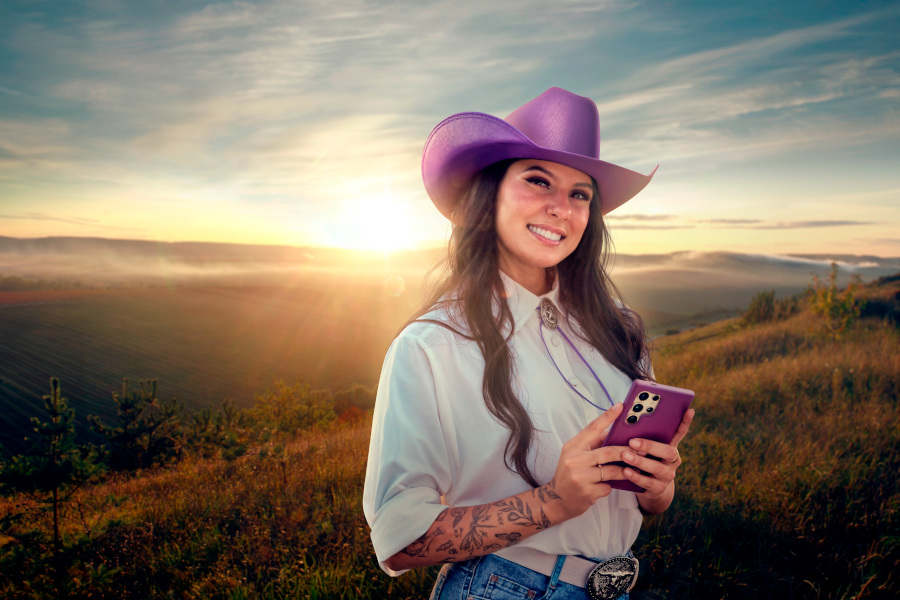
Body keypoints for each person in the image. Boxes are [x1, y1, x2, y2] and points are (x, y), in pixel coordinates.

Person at [363, 87, 694, 600]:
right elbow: (399, 538)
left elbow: (642, 506)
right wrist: (554, 501)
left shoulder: (619, 329)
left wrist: (656, 485)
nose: (560, 208)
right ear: (489, 192)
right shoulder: (431, 347)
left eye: (580, 193)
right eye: (538, 180)